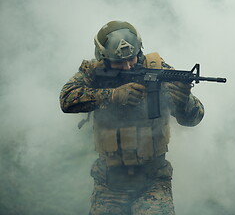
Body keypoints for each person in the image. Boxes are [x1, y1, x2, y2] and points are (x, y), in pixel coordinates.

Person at [59, 21, 204, 215]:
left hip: (153, 182)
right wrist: (111, 96)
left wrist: (184, 101)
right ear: (103, 58)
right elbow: (67, 99)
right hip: (109, 184)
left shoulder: (157, 69)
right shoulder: (93, 72)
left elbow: (193, 119)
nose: (128, 67)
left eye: (132, 59)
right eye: (119, 62)